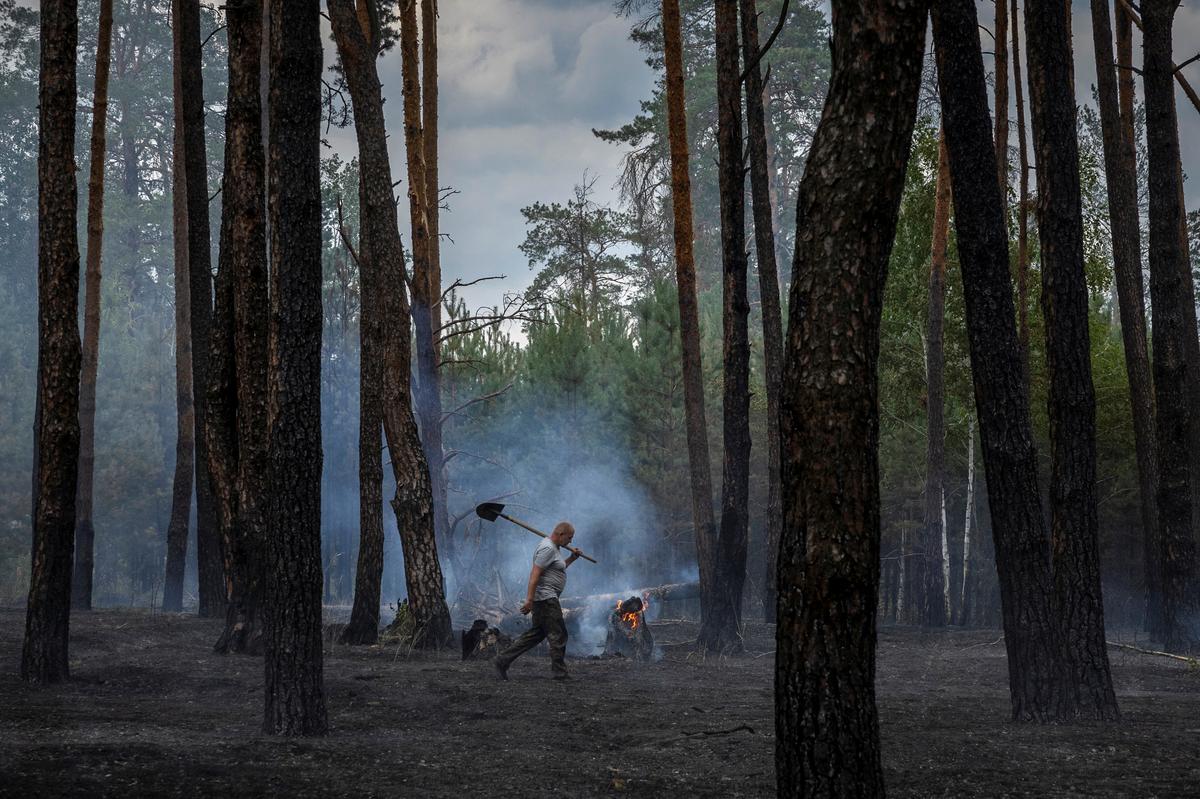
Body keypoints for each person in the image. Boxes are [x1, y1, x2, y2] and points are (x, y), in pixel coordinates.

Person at [494, 521, 580, 680]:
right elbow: (534, 575)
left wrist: (572, 558)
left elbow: (557, 569)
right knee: (559, 634)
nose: (571, 542)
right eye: (569, 538)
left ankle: (502, 660)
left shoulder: (554, 548)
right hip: (546, 599)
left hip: (546, 598)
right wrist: (529, 600)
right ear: (560, 535)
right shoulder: (547, 548)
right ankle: (560, 674)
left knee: (535, 635)